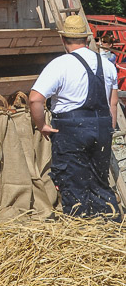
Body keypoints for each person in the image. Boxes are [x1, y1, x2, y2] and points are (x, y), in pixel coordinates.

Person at [29, 13, 120, 219]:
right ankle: (110, 228)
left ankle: (79, 231)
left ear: (63, 39)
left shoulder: (60, 64)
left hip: (71, 131)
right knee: (99, 182)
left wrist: (41, 125)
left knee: (73, 183)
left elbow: (35, 99)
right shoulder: (107, 64)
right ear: (87, 39)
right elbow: (112, 102)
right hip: (102, 127)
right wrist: (107, 129)